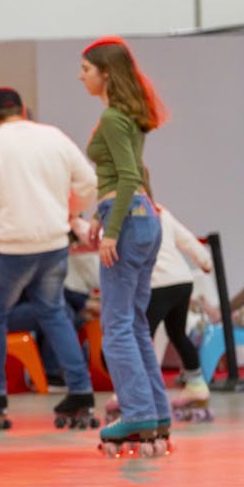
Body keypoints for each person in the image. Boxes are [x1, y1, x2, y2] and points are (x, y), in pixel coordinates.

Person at [0, 87, 98, 429]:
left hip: (11, 248)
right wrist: (70, 213)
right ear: (24, 110)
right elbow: (88, 181)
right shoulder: (54, 137)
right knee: (54, 313)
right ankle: (81, 390)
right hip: (54, 245)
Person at [79, 35, 171, 455]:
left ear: (106, 74)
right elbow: (131, 177)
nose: (81, 76)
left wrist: (111, 231)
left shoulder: (115, 117)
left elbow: (130, 177)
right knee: (133, 323)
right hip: (141, 219)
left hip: (130, 221)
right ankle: (155, 412)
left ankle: (136, 414)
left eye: (85, 69)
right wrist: (104, 220)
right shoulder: (127, 117)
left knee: (116, 327)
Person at [149, 204, 213, 416]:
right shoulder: (160, 211)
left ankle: (138, 392)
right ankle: (197, 386)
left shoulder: (128, 209)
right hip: (182, 280)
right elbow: (186, 239)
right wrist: (204, 261)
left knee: (139, 337)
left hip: (157, 282)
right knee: (177, 333)